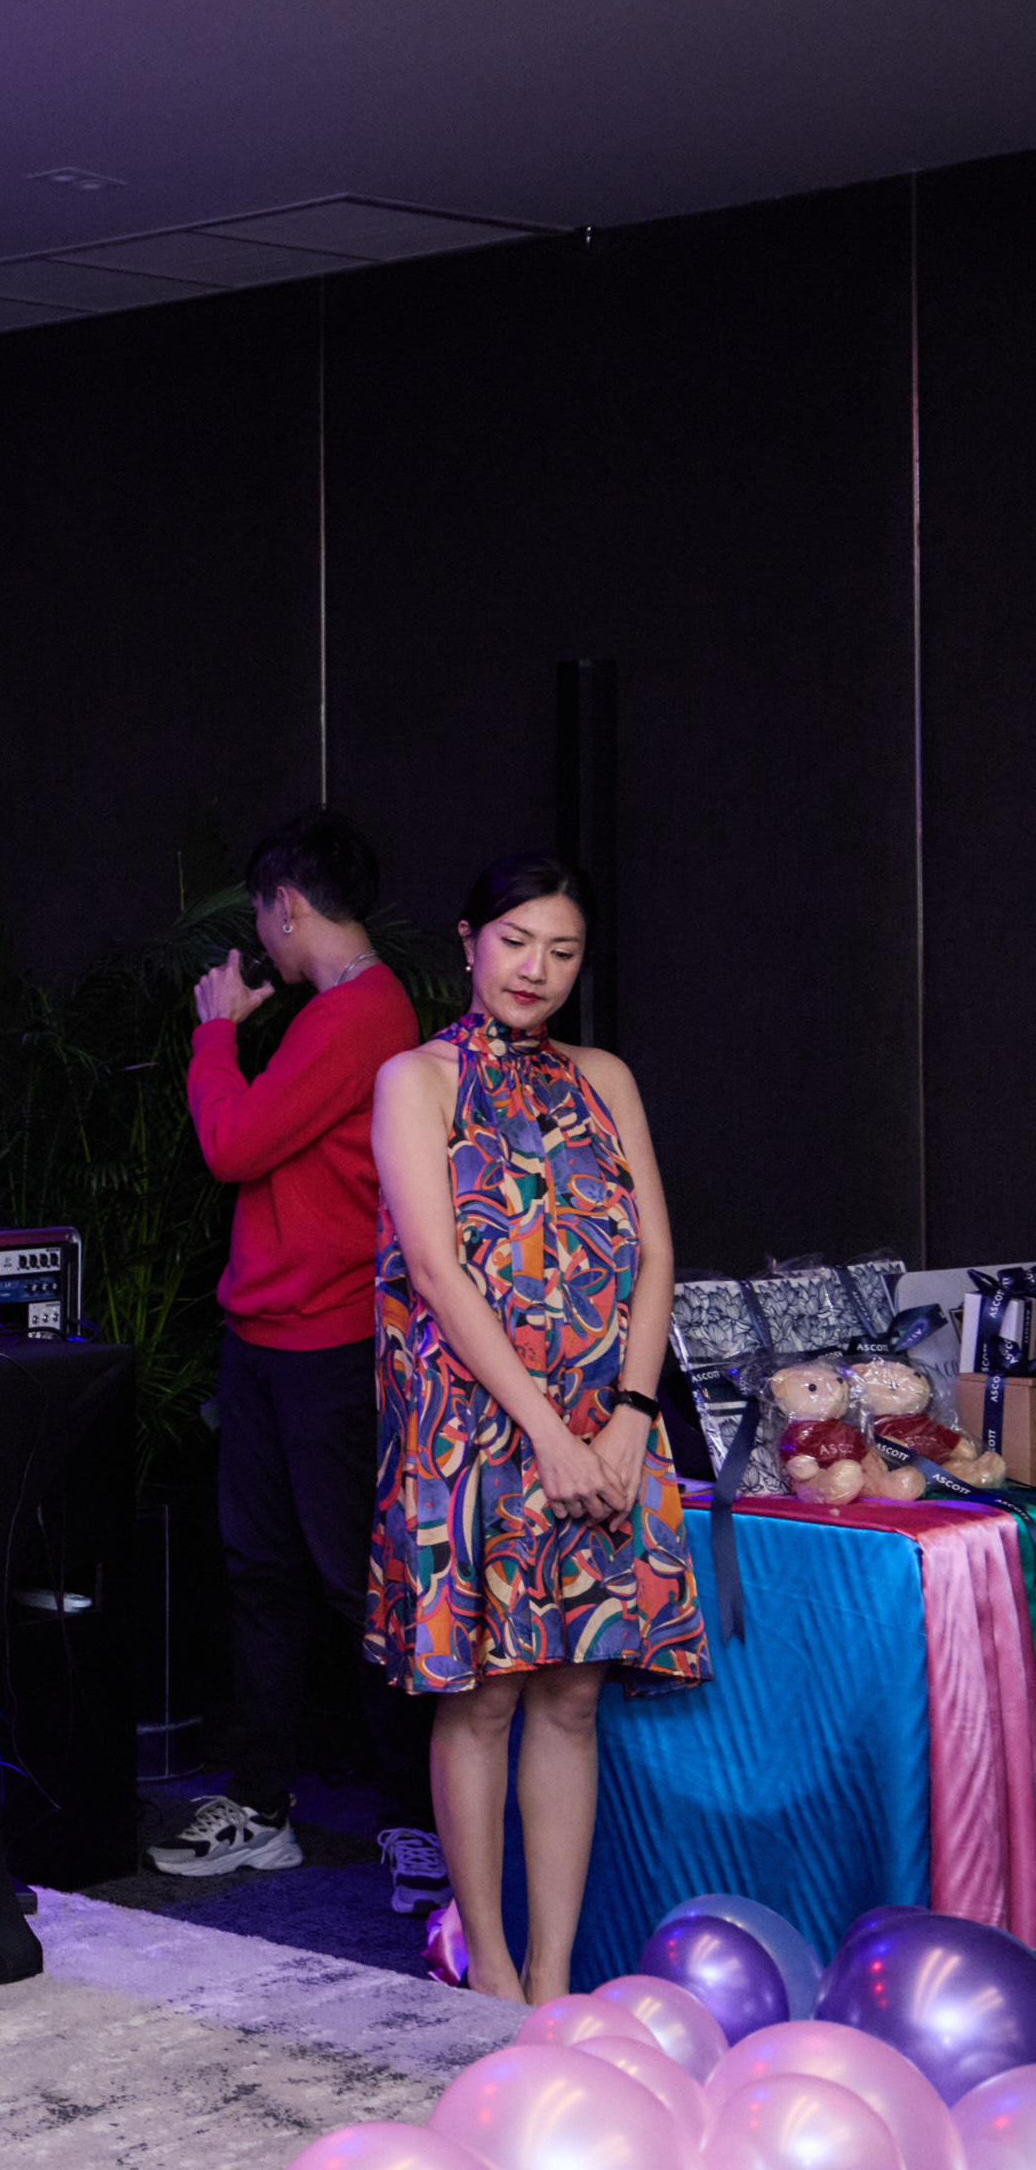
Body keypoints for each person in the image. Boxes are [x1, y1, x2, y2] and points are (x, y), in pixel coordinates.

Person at [367, 852, 705, 2002]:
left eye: (562, 950)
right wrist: (548, 1435)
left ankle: (555, 1980)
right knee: (486, 1696)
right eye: (515, 941)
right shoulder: (416, 1079)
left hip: (610, 1432)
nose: (536, 968)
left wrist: (629, 1421)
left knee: (571, 1694)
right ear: (468, 940)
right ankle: (493, 1974)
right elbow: (435, 1270)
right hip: (474, 1436)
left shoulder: (605, 1077)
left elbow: (656, 1255)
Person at [155, 809, 440, 1912]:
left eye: (262, 913)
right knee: (266, 1577)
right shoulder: (340, 1012)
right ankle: (263, 1808)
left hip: (326, 1346)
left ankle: (416, 1820)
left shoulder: (360, 1014)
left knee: (350, 1585)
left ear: (284, 905)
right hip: (267, 1339)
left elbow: (230, 1143)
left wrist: (215, 1033)